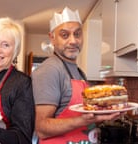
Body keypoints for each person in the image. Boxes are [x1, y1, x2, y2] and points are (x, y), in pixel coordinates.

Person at [31, 7, 120, 144]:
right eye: (65, 35)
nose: (73, 41)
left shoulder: (79, 72)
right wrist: (82, 120)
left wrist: (105, 115)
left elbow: (88, 116)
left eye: (77, 34)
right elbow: (42, 128)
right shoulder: (49, 70)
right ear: (52, 38)